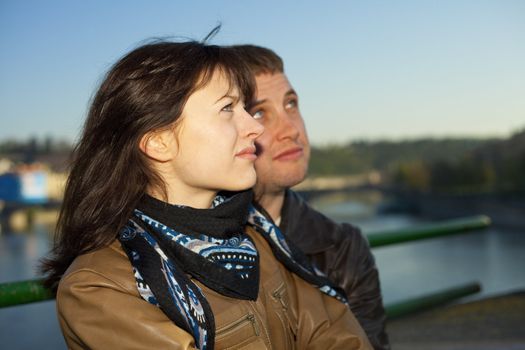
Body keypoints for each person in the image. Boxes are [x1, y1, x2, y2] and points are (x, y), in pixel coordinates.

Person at [40, 39, 373, 349]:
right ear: (159, 142)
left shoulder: (258, 240)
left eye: (246, 108)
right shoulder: (99, 287)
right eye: (228, 108)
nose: (254, 128)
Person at [232, 45, 390, 349]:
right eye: (260, 112)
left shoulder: (343, 249)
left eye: (291, 104)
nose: (290, 129)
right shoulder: (181, 244)